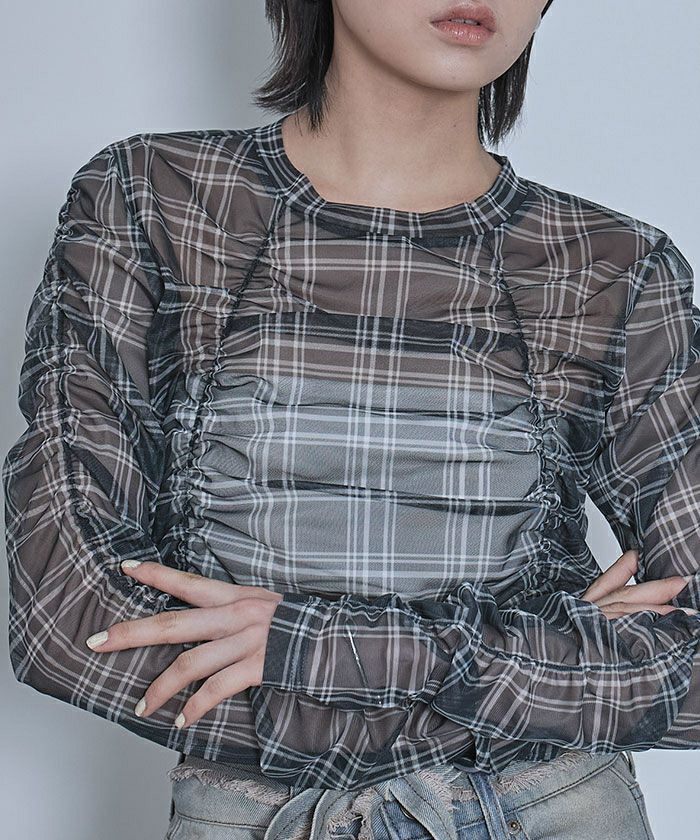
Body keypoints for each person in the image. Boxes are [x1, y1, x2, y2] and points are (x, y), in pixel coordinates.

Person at [4, 0, 699, 837]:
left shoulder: (614, 266)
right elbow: (65, 616)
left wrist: (316, 646)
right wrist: (553, 667)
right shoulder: (157, 199)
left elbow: (693, 666)